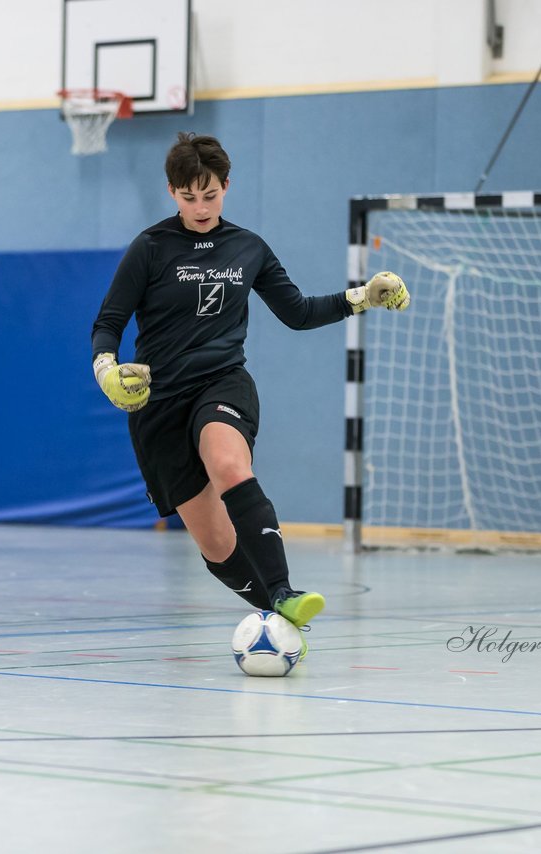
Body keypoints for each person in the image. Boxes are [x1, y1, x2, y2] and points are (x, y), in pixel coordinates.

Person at [90, 132, 409, 654]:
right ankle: (278, 613)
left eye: (209, 195)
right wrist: (107, 368)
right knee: (215, 543)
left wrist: (362, 297)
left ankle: (284, 589)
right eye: (188, 197)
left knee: (230, 466)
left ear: (226, 186)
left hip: (221, 383)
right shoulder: (150, 248)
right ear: (172, 192)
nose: (200, 206)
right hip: (159, 406)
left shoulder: (248, 247)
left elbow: (299, 313)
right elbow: (109, 322)